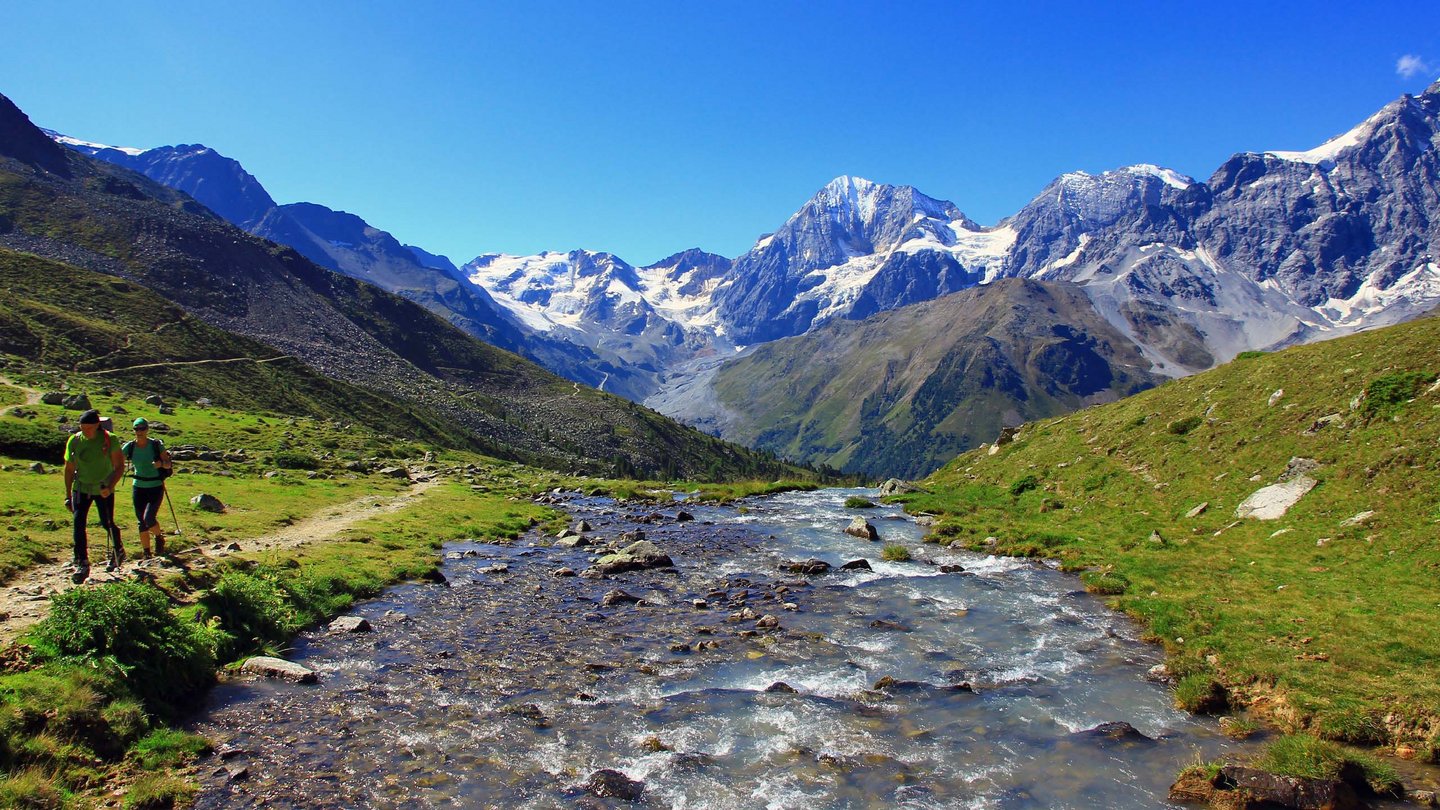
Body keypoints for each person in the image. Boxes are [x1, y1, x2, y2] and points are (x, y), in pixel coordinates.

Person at [63, 409, 125, 583]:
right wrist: (68, 495)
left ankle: (118, 550)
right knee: (78, 523)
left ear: (97, 425)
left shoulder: (109, 439)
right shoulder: (75, 441)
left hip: (103, 488)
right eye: (83, 428)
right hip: (81, 487)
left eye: (89, 428)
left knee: (107, 522)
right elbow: (68, 469)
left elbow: (120, 466)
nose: (86, 431)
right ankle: (82, 562)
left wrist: (110, 486)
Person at [122, 417, 171, 558]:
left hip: (155, 486)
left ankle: (159, 537)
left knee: (149, 518)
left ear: (147, 429)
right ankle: (147, 553)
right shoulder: (130, 446)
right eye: (136, 429)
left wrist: (161, 464)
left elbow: (168, 464)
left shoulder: (156, 445)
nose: (139, 431)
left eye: (142, 428)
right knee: (141, 522)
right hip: (138, 487)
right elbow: (117, 460)